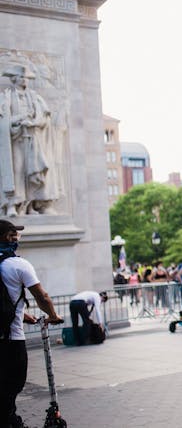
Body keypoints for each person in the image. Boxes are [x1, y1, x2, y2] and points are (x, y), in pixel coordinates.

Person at [0, 219, 64, 427]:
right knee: (12, 384)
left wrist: (22, 313)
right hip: (10, 340)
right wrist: (53, 315)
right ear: (8, 237)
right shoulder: (18, 264)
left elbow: (6, 300)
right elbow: (42, 297)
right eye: (13, 235)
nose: (16, 238)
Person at [1, 65, 57, 216]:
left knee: (33, 171)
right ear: (15, 79)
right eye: (22, 77)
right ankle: (13, 204)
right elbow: (4, 120)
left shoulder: (35, 98)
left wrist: (33, 123)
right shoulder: (6, 98)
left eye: (26, 77)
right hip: (16, 140)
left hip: (33, 139)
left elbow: (44, 117)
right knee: (17, 171)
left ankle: (31, 205)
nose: (25, 80)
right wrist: (19, 120)